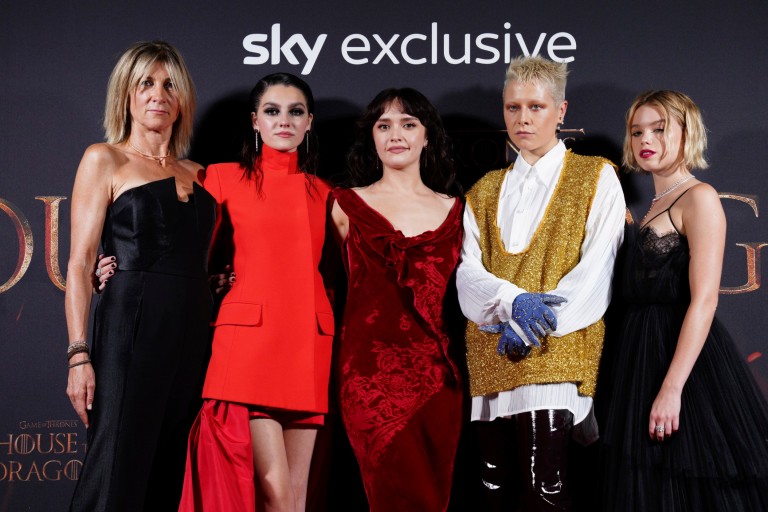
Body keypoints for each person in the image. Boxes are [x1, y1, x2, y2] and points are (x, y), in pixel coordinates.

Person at [455, 55, 626, 511]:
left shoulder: (596, 176)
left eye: (536, 107)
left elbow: (597, 268)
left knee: (543, 486)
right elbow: (468, 271)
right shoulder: (484, 189)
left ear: (561, 111)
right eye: (513, 108)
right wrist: (512, 302)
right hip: (492, 352)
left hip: (556, 350)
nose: (524, 118)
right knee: (491, 486)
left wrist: (536, 320)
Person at [599, 90, 768, 511]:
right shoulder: (649, 205)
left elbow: (705, 300)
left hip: (680, 362)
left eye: (659, 128)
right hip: (634, 357)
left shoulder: (700, 197)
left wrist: (672, 388)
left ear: (687, 131)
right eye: (637, 131)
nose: (645, 139)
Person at [64, 41, 215, 512]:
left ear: (183, 98)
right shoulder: (104, 159)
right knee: (116, 460)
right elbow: (80, 263)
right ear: (126, 95)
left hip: (194, 332)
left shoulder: (201, 173)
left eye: (170, 84)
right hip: (131, 324)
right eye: (145, 83)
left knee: (171, 463)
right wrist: (78, 355)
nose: (158, 94)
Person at [176, 72, 334, 512]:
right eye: (272, 111)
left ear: (309, 123)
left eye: (295, 112)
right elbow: (192, 261)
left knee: (296, 500)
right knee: (274, 492)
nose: (284, 120)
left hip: (309, 345)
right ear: (254, 121)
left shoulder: (325, 193)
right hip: (249, 348)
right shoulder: (221, 178)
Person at [330, 88, 464, 511]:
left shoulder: (458, 211)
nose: (396, 135)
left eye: (409, 124)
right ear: (371, 137)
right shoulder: (344, 205)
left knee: (433, 495)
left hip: (440, 379)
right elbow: (322, 284)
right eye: (383, 125)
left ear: (428, 137)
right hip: (368, 379)